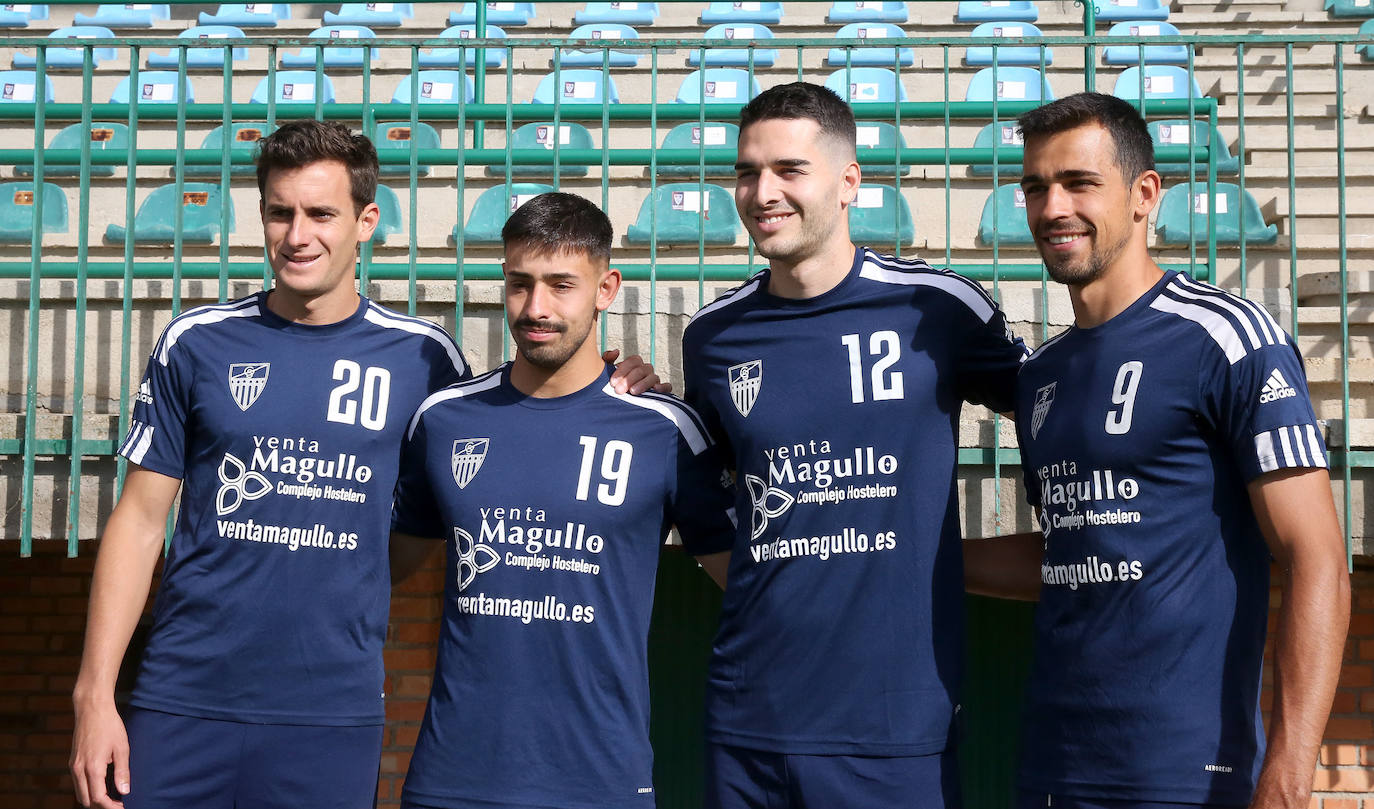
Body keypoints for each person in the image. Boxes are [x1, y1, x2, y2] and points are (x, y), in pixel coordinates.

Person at [68, 122, 661, 809]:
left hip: (331, 711)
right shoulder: (196, 342)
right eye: (280, 212)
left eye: (321, 213)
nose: (298, 235)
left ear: (366, 221)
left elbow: (480, 473)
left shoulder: (425, 362)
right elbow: (140, 523)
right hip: (180, 696)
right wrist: (93, 694)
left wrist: (619, 383)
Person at [965, 92, 1350, 809]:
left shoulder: (1229, 337)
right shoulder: (1042, 376)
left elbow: (1318, 558)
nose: (1053, 208)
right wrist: (919, 562)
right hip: (1056, 767)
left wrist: (1291, 773)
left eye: (1080, 183)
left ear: (1145, 194)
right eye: (1035, 187)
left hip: (1190, 774)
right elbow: (1072, 550)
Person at [680, 81, 1029, 808]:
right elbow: (704, 500)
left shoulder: (939, 308)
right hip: (750, 722)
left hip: (894, 727)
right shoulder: (713, 336)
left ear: (848, 183)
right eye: (747, 172)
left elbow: (1060, 413)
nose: (761, 192)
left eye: (788, 170)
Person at [388, 191, 734, 809]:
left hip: (598, 781)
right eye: (520, 284)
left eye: (561, 284)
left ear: (607, 289)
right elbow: (380, 566)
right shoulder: (443, 420)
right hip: (452, 782)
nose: (536, 307)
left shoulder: (663, 430)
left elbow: (756, 585)